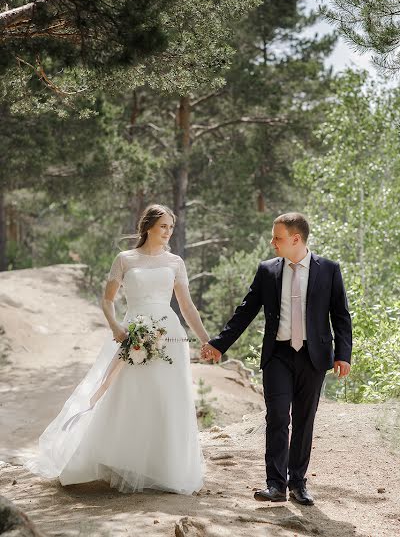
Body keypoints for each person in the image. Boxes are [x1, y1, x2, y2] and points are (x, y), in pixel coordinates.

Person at [23, 203, 210, 495]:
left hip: (168, 335)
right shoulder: (125, 259)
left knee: (166, 397)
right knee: (127, 395)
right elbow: (108, 300)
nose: (168, 231)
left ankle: (164, 467)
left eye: (171, 227)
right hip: (131, 333)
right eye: (163, 226)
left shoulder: (175, 262)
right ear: (148, 227)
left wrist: (205, 339)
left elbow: (186, 306)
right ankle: (119, 460)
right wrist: (115, 327)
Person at [201, 212, 352, 505]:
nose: (272, 242)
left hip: (314, 356)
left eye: (277, 237)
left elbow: (341, 316)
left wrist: (343, 355)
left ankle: (298, 484)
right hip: (278, 355)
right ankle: (275, 485)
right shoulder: (267, 270)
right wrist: (220, 344)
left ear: (296, 239)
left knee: (304, 420)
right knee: (278, 417)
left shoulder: (329, 270)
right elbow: (245, 311)